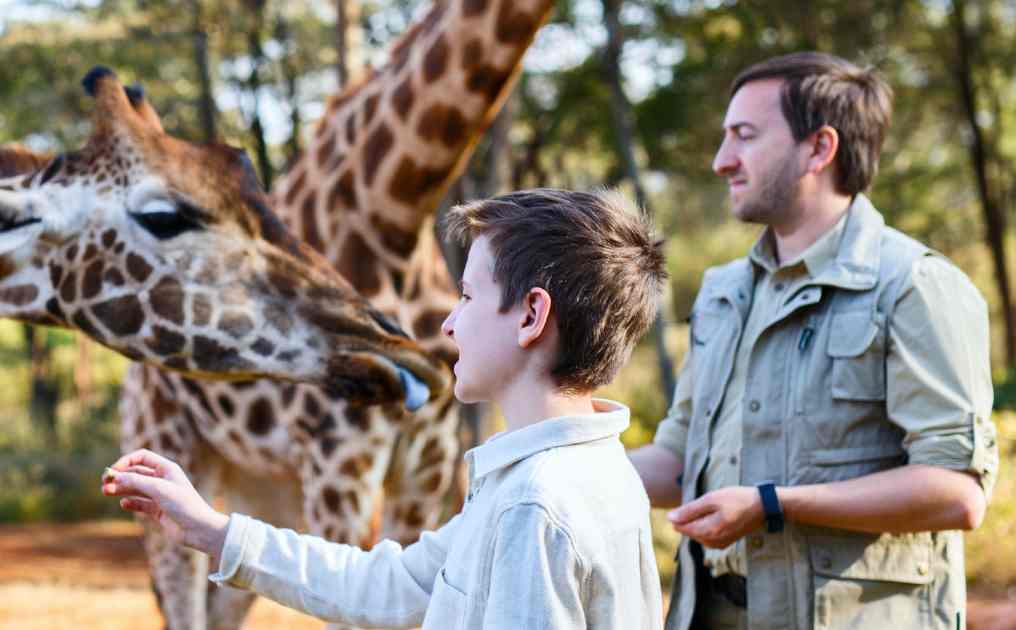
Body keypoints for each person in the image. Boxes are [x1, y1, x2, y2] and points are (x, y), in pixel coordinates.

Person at [103, 188, 668, 629]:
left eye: (468, 297)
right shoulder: (584, 473)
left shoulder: (535, 505)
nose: (448, 324)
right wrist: (213, 531)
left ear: (530, 317)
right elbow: (394, 583)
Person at [624, 52, 998, 630]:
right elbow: (680, 461)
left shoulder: (916, 286)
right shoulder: (723, 294)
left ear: (819, 149)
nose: (722, 161)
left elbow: (956, 493)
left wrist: (773, 505)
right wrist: (566, 468)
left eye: (744, 137)